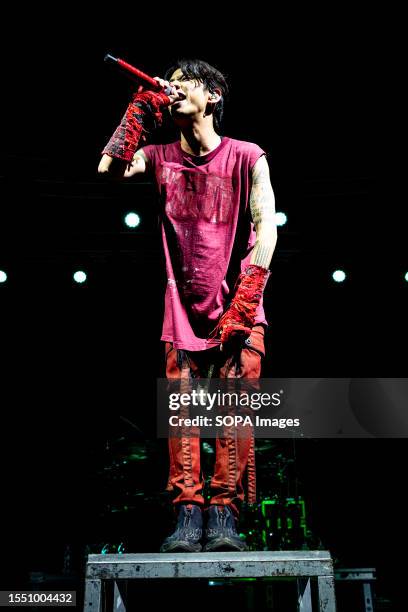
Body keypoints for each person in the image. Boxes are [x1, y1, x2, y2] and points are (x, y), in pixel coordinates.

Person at [98, 59, 277, 552]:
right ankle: (186, 517)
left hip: (237, 307)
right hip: (181, 311)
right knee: (184, 417)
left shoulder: (246, 155)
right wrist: (137, 110)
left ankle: (223, 515)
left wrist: (247, 296)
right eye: (166, 86)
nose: (170, 90)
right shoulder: (158, 156)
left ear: (213, 96)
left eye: (183, 84)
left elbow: (269, 226)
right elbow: (108, 169)